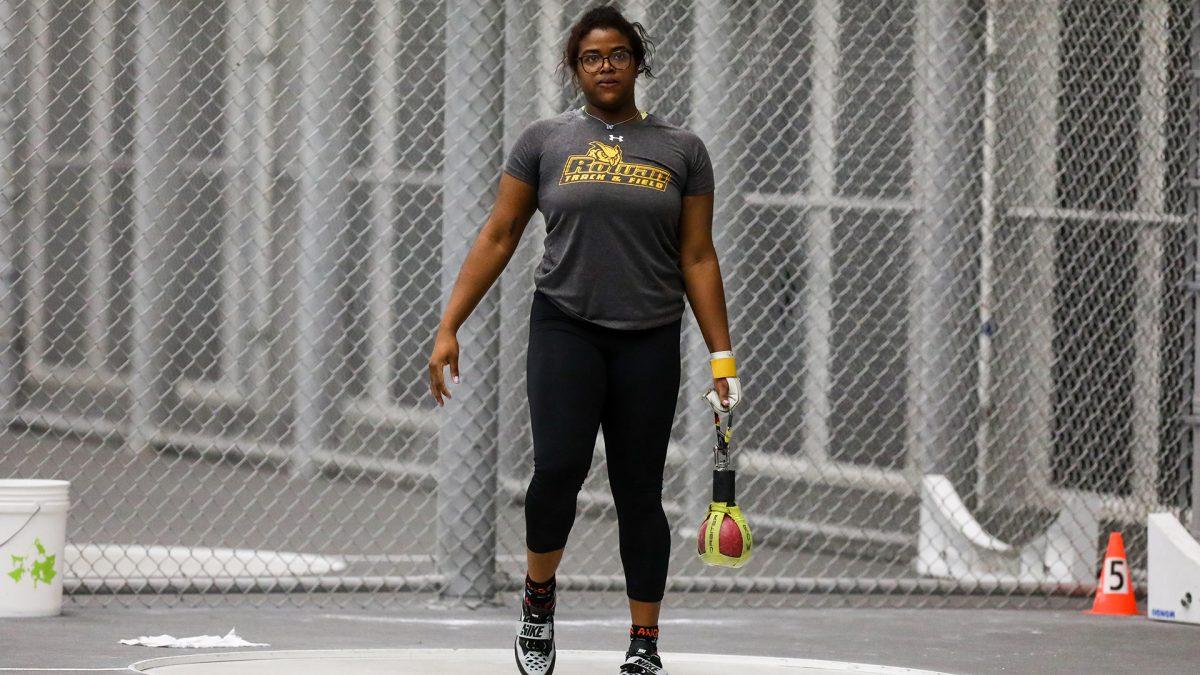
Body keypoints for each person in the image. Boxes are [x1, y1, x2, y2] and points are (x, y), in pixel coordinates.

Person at [427, 4, 743, 674]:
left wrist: (722, 353)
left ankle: (644, 643)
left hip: (649, 336)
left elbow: (697, 256)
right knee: (558, 470)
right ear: (573, 67)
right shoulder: (544, 141)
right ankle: (538, 602)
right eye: (592, 56)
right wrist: (449, 324)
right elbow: (500, 234)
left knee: (639, 490)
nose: (606, 66)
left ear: (638, 63)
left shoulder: (681, 150)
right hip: (565, 326)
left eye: (619, 54)